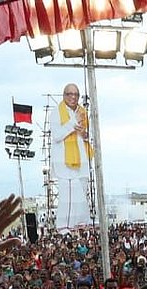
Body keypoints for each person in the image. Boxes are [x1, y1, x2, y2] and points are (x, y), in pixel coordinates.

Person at [50, 83, 93, 228]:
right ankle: (64, 229)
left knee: (82, 196)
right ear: (64, 96)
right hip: (65, 162)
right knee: (68, 199)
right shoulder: (56, 112)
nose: (73, 97)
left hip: (82, 160)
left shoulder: (83, 112)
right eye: (70, 94)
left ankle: (81, 227)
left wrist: (84, 134)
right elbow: (56, 136)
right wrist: (73, 123)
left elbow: (87, 135)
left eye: (76, 94)